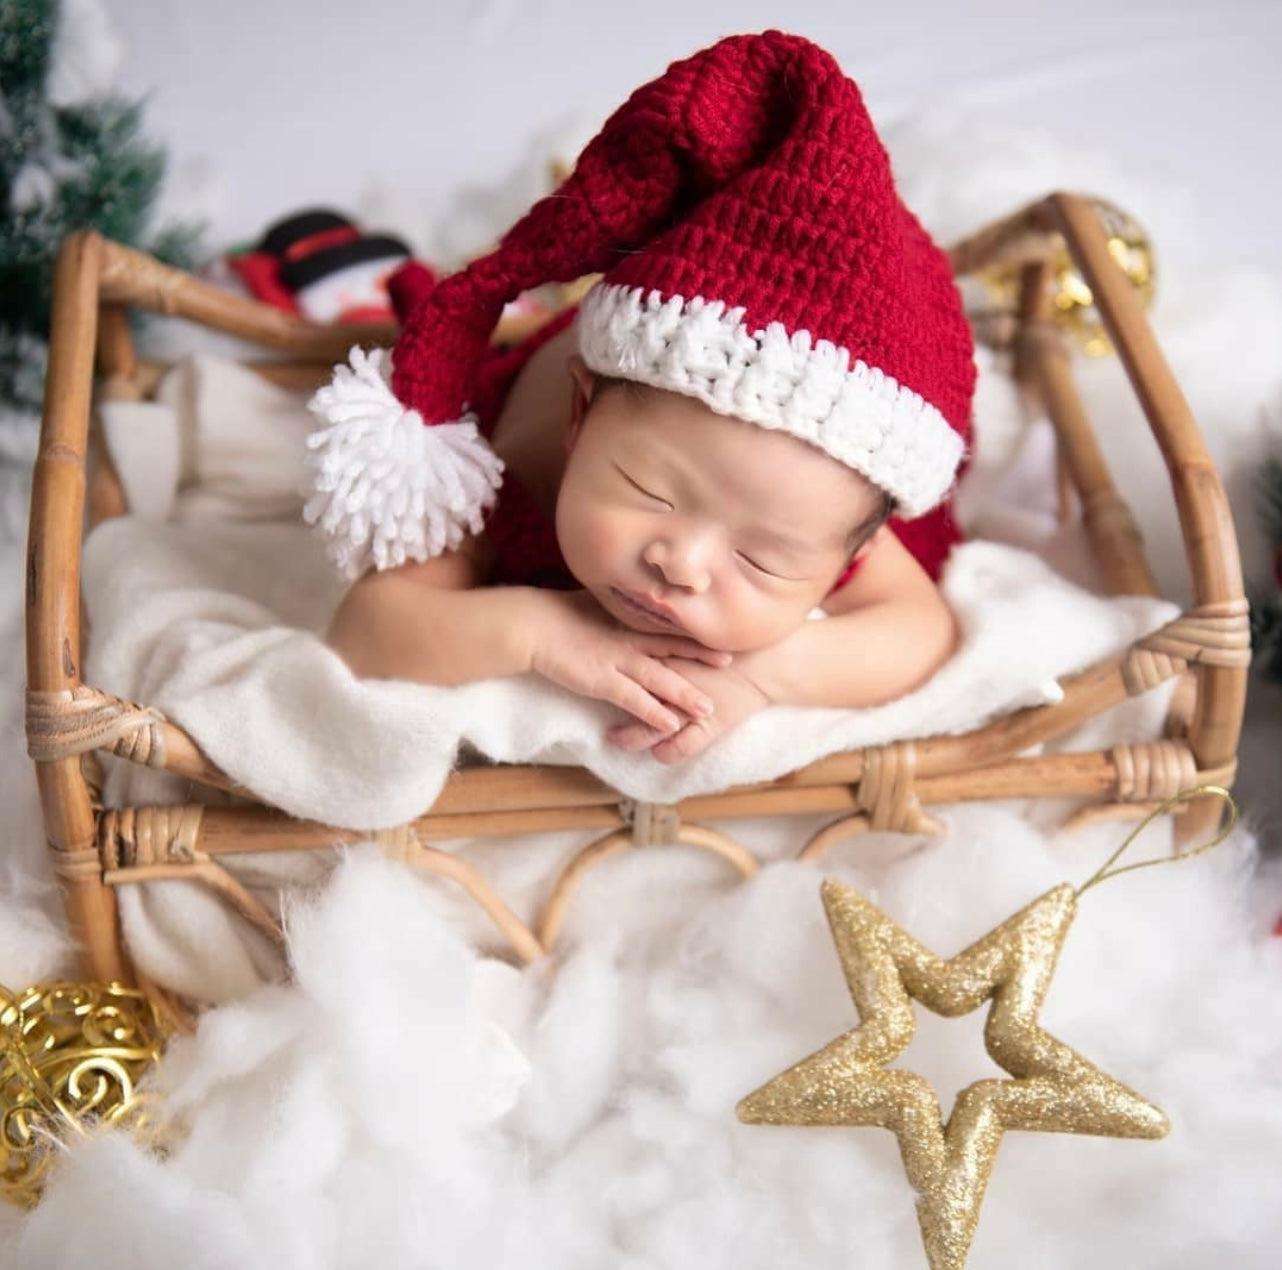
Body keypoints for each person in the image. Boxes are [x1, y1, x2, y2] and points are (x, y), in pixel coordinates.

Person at [307, 30, 976, 764]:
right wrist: (538, 632)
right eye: (650, 493)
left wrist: (766, 675)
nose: (680, 564)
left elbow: (920, 631)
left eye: (760, 562)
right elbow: (367, 631)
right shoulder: (506, 476)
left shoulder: (821, 495)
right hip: (633, 352)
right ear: (578, 417)